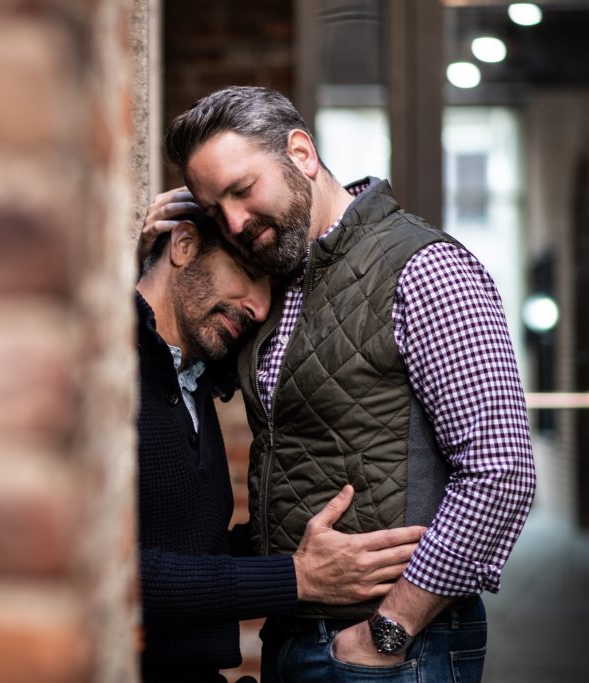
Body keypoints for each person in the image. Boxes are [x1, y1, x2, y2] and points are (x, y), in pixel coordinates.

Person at [144, 85, 537, 682]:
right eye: (214, 208)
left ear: (301, 153)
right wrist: (145, 262)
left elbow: (501, 472)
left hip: (391, 647)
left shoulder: (425, 269)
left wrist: (389, 630)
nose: (235, 222)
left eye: (242, 189)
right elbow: (174, 358)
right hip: (294, 631)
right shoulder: (279, 279)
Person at [134, 212, 425, 683]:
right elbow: (104, 574)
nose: (260, 308)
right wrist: (297, 577)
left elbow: (192, 552)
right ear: (183, 245)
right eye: (249, 273)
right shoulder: (103, 370)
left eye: (271, 291)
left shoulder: (192, 383)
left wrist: (309, 543)